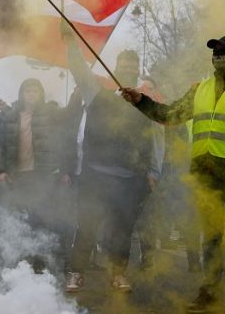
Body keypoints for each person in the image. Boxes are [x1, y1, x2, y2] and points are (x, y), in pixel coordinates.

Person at [121, 35, 225, 312]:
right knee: (212, 233)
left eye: (222, 51)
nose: (217, 56)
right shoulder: (199, 89)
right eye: (214, 51)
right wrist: (141, 101)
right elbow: (170, 115)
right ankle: (210, 290)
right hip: (206, 173)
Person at [62, 41, 158, 294]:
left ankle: (118, 274)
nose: (128, 69)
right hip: (96, 174)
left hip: (130, 178)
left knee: (123, 228)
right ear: (115, 67)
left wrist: (153, 172)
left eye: (133, 66)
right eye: (124, 65)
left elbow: (156, 139)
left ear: (137, 71)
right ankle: (76, 272)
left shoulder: (145, 103)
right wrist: (70, 42)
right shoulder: (97, 94)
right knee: (87, 225)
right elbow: (79, 70)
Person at [0, 78, 68, 268]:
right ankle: (21, 259)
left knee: (41, 216)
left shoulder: (50, 114)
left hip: (41, 174)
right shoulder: (11, 116)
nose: (31, 94)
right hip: (17, 174)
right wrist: (1, 170)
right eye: (28, 90)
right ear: (21, 93)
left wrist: (62, 169)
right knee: (20, 215)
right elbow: (1, 146)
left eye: (35, 90)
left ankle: (40, 260)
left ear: (41, 94)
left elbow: (61, 142)